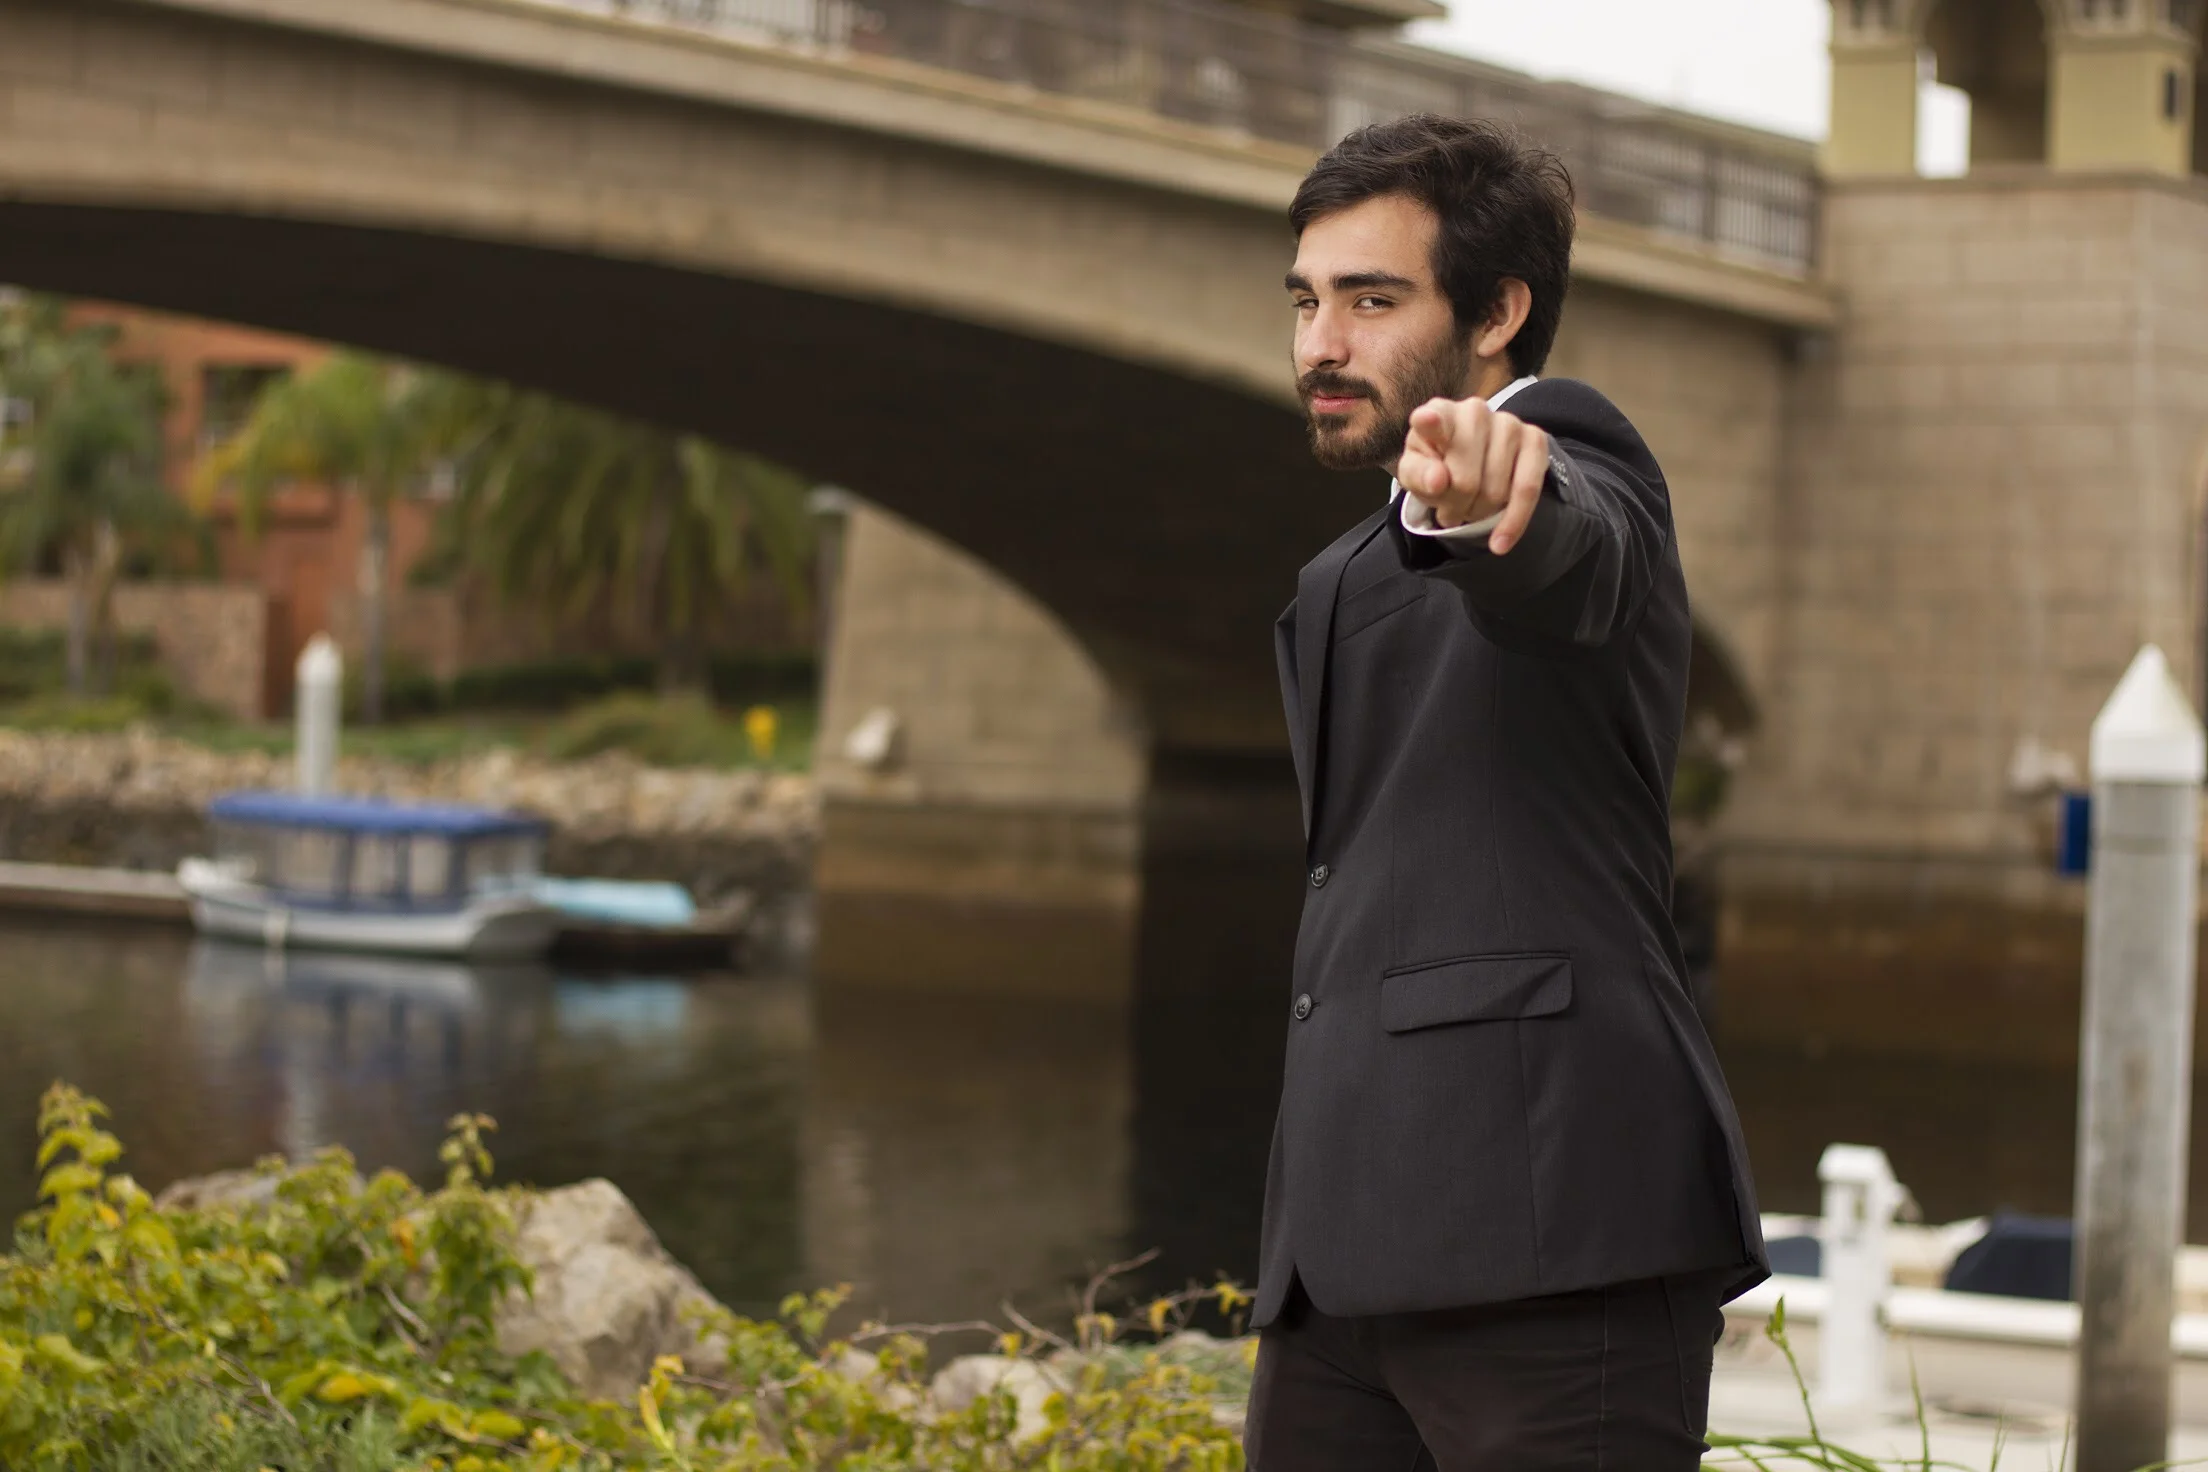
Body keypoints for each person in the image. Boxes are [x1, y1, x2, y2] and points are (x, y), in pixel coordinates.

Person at [1244, 115, 1769, 1471]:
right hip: (1337, 1271)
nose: (1319, 344)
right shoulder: (1339, 577)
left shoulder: (1575, 457)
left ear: (1497, 313)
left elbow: (1567, 550)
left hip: (1555, 1240)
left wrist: (1484, 509)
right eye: (1306, 301)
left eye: (1371, 301)